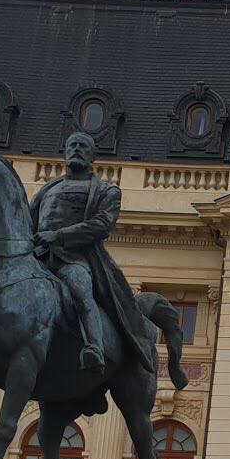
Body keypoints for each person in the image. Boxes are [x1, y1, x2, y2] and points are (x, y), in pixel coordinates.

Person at [28, 130, 154, 376]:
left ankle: (94, 347)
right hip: (38, 256)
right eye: (72, 145)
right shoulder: (48, 188)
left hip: (72, 258)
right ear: (64, 152)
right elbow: (29, 221)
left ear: (92, 156)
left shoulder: (106, 191)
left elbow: (101, 224)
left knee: (80, 288)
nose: (76, 149)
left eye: (83, 146)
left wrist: (59, 236)